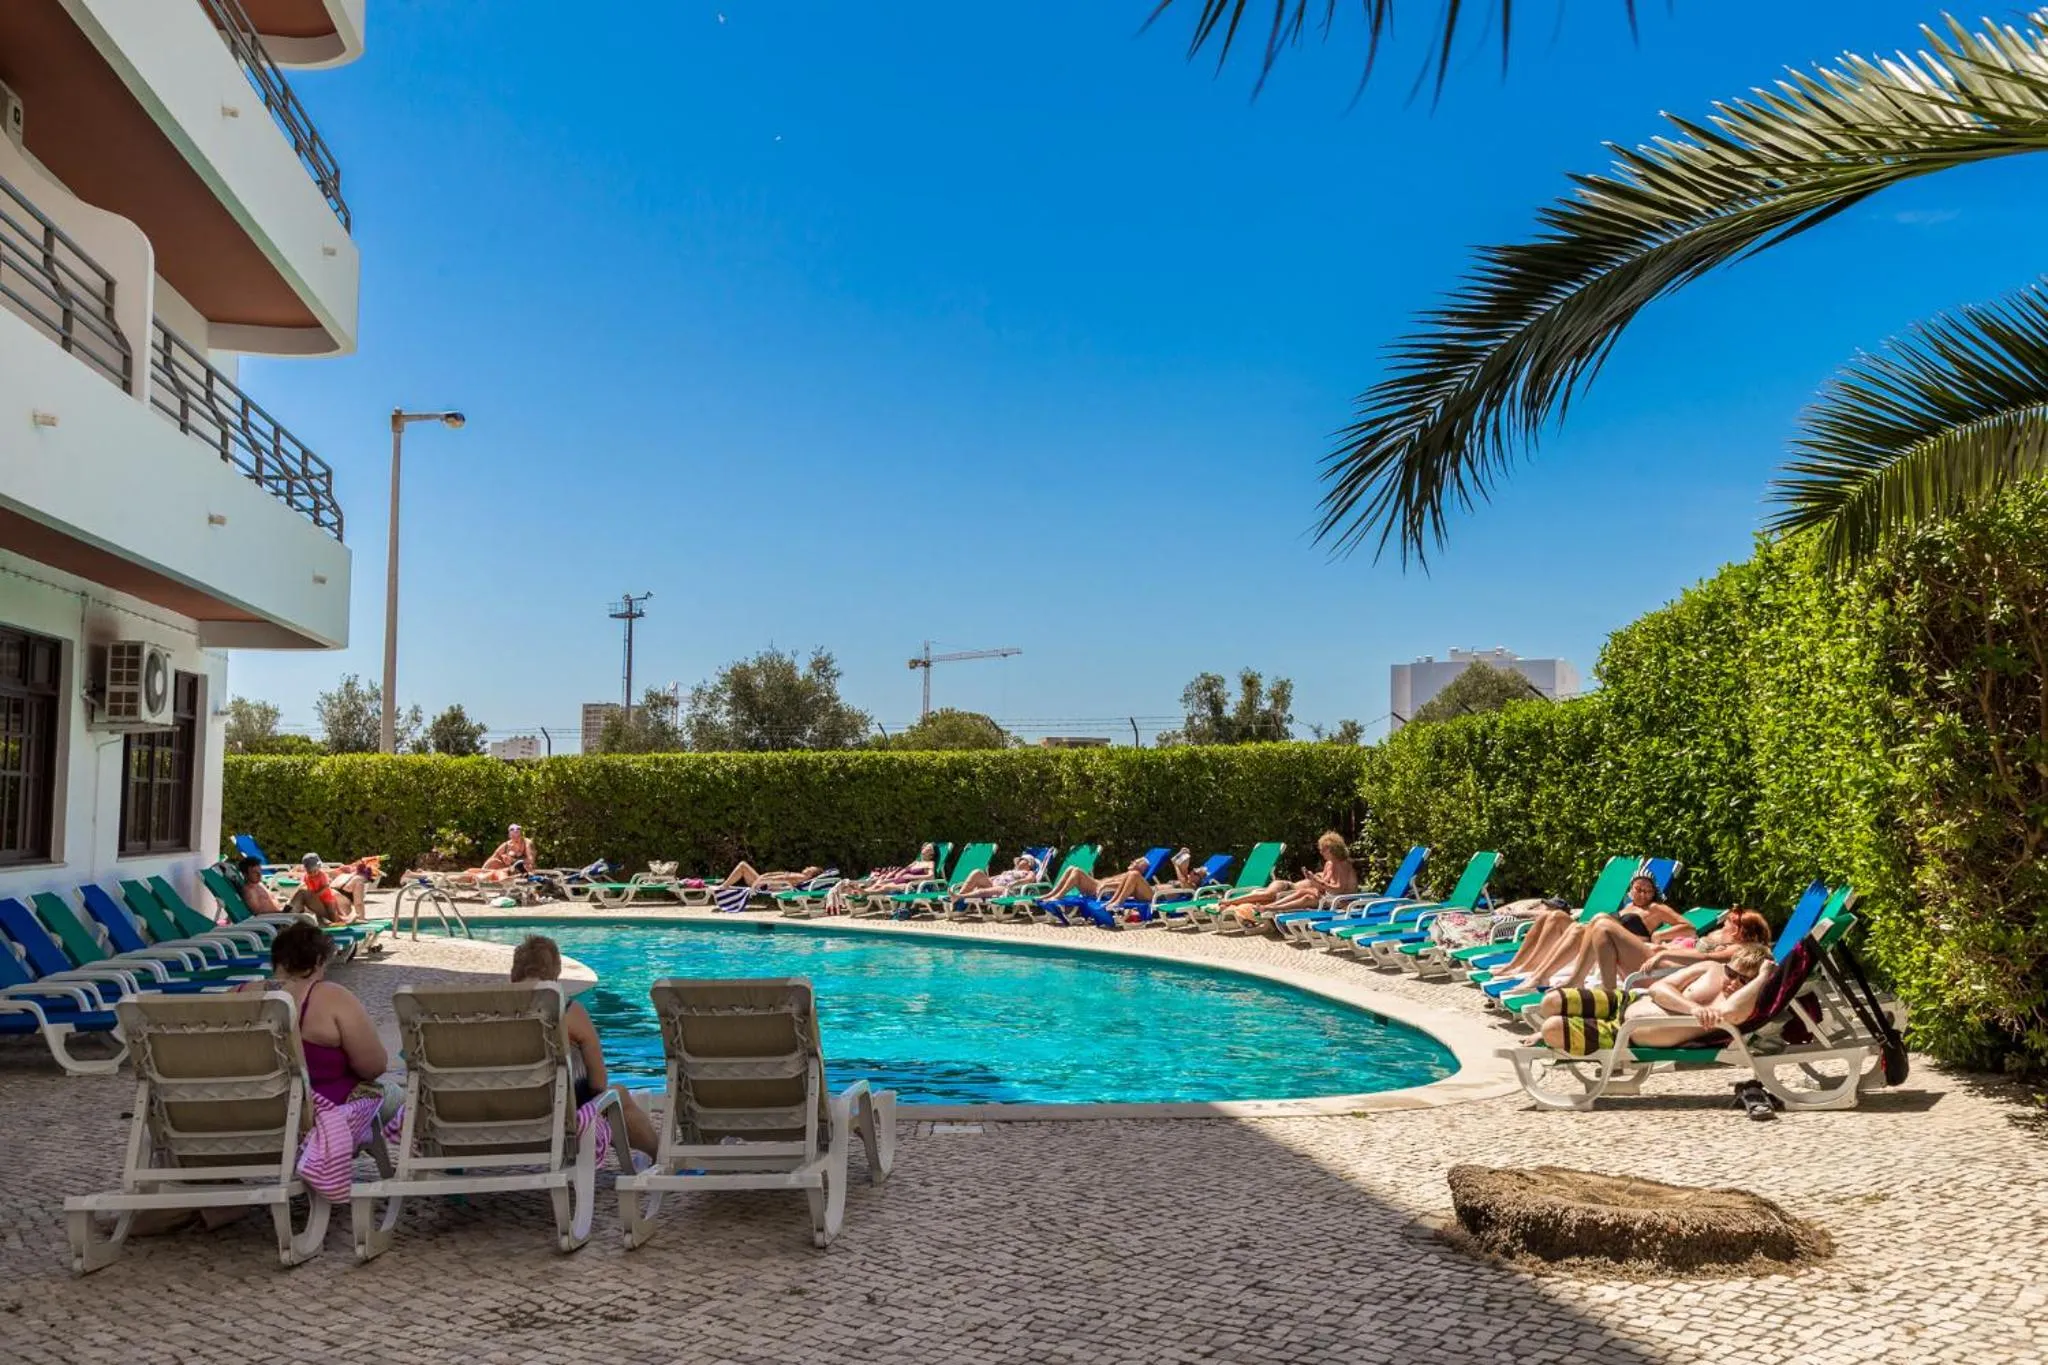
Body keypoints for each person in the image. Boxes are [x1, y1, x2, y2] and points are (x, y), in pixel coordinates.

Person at [509, 935, 658, 1159]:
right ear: (555, 973)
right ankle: (660, 1159)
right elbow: (598, 1084)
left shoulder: (488, 1013)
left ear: (515, 973)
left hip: (495, 1119)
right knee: (618, 1095)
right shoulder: (568, 1011)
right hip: (557, 1122)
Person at [1530, 944, 1774, 1055]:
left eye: (1742, 980)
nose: (1732, 981)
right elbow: (1659, 988)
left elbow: (1731, 1012)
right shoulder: (1711, 968)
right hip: (1626, 1001)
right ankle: (1558, 1027)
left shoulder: (1742, 1003)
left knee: (1551, 1028)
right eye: (1730, 972)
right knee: (1550, 1001)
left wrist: (1763, 977)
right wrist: (1694, 1009)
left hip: (1622, 1035)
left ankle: (1552, 1031)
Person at [1231, 833, 1359, 930]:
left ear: (1331, 849)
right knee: (1304, 891)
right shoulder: (1330, 864)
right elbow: (1322, 886)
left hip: (1342, 900)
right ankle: (1272, 907)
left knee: (1306, 898)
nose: (1320, 852)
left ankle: (1272, 907)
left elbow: (1339, 888)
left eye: (1323, 849)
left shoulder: (1343, 865)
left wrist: (1318, 882)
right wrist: (1312, 879)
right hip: (1331, 897)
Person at [950, 852, 1048, 900]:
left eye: (1021, 860)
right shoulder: (1013, 870)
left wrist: (1015, 883)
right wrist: (990, 879)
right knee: (977, 872)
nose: (1018, 861)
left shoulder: (1029, 872)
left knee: (981, 891)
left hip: (1006, 889)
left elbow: (1029, 880)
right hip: (993, 883)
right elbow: (999, 876)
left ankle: (959, 896)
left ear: (1029, 863)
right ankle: (958, 897)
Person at [721, 861, 826, 891]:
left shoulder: (802, 877)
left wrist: (765, 879)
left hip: (763, 885)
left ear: (811, 874)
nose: (807, 867)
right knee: (743, 866)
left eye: (810, 868)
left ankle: (724, 886)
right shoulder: (801, 876)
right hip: (764, 883)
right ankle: (725, 885)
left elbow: (783, 878)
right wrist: (768, 875)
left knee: (743, 865)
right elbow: (782, 874)